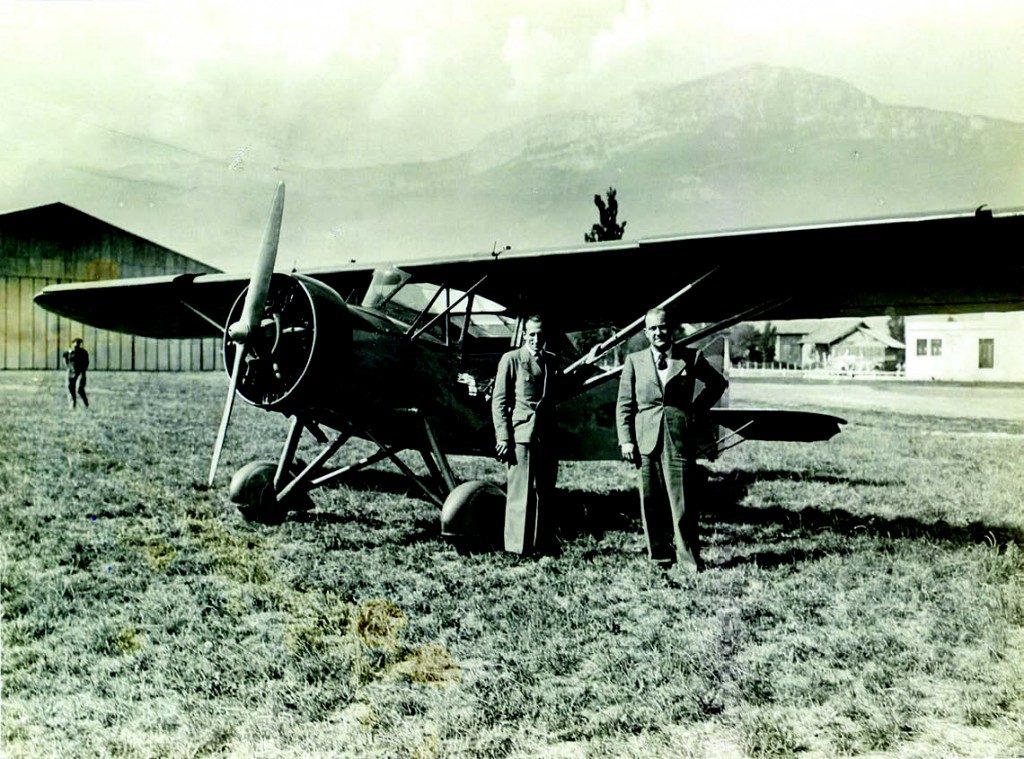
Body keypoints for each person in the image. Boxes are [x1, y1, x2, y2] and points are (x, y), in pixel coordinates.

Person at [615, 308, 727, 573]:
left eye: (662, 327)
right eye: (652, 329)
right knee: (650, 501)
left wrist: (695, 411)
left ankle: (689, 560)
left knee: (683, 501)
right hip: (646, 439)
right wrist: (626, 440)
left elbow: (717, 384)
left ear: (671, 329)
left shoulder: (690, 357)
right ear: (645, 333)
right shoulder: (634, 361)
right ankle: (660, 557)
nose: (658, 332)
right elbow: (624, 405)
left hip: (679, 437)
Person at [491, 315, 561, 555]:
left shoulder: (551, 362)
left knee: (545, 492)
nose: (535, 339)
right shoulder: (511, 360)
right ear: (524, 335)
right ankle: (516, 548)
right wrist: (503, 436)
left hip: (547, 436)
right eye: (531, 334)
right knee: (520, 493)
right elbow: (499, 401)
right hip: (522, 435)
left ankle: (541, 545)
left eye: (540, 335)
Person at [63, 337, 90, 409]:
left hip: (80, 372)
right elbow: (65, 359)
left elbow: (86, 362)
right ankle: (73, 403)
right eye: (75, 343)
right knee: (70, 387)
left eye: (78, 344)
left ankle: (85, 402)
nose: (76, 345)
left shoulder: (83, 352)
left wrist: (83, 371)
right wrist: (68, 367)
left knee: (79, 389)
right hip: (71, 372)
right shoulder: (68, 352)